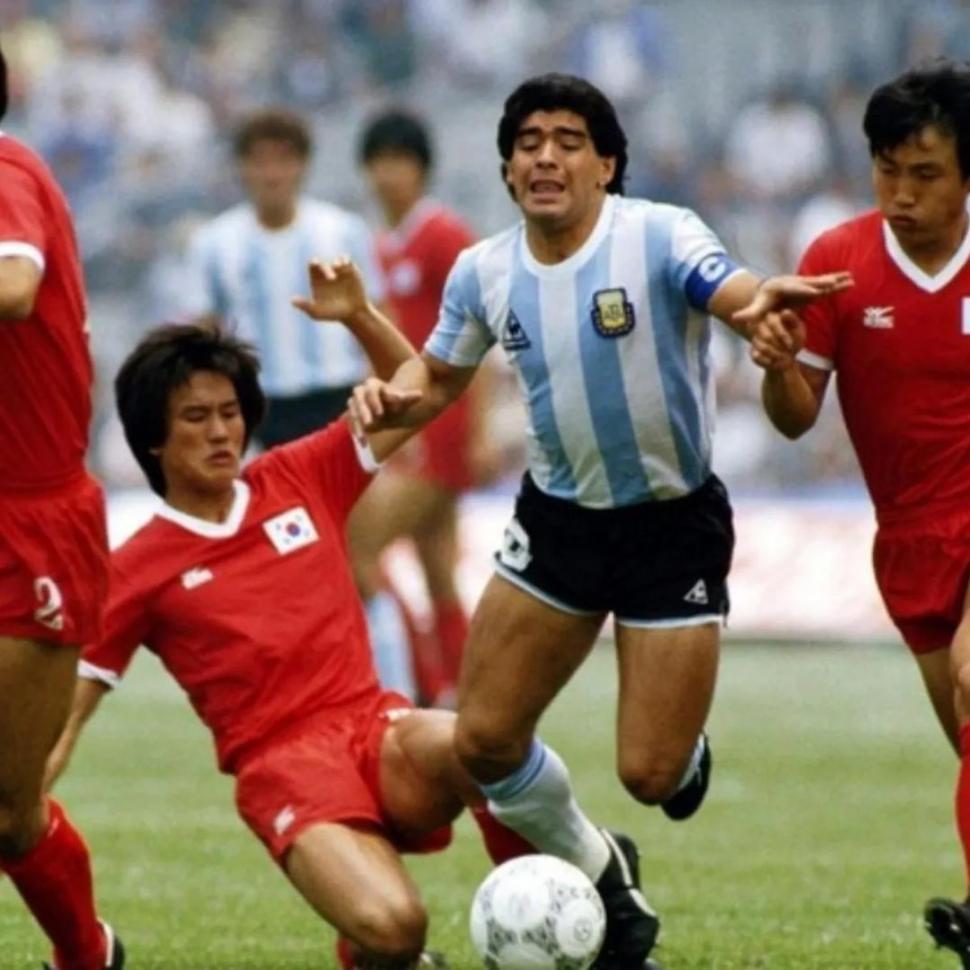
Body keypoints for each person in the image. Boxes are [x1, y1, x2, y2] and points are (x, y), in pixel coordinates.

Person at [343, 73, 852, 968]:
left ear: (607, 164)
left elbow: (731, 291)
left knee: (651, 775)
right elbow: (439, 379)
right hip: (559, 522)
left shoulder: (657, 234)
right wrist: (386, 393)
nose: (546, 155)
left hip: (671, 525)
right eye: (529, 140)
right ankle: (597, 865)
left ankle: (682, 752)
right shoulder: (485, 271)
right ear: (506, 168)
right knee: (484, 740)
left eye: (570, 139)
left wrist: (761, 311)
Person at [44, 264, 535, 970]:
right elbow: (67, 715)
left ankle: (541, 905)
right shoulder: (134, 569)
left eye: (229, 412)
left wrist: (360, 315)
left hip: (375, 725)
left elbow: (423, 392)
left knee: (486, 745)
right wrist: (19, 804)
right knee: (398, 927)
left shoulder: (301, 475)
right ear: (154, 438)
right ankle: (370, 947)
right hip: (284, 770)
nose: (220, 432)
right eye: (195, 418)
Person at [747, 60, 970, 968]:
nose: (901, 193)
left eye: (925, 174)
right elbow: (798, 417)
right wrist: (774, 360)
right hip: (911, 538)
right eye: (887, 171)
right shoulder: (835, 262)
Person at [182, 106, 416, 701]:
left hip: (335, 405)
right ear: (242, 169)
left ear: (302, 166)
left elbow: (377, 319)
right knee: (271, 569)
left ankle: (397, 700)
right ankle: (294, 695)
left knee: (360, 562)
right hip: (257, 415)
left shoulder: (339, 231)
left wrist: (387, 407)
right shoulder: (215, 243)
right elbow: (204, 336)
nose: (271, 173)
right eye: (259, 161)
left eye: (283, 160)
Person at [0, 45, 124, 970]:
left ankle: (89, 956)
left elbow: (15, 286)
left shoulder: (5, 171)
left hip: (33, 527)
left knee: (7, 811)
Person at [355, 108, 492, 706]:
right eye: (380, 162)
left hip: (438, 426)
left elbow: (482, 333)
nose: (389, 175)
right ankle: (464, 692)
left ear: (421, 169)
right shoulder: (381, 243)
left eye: (400, 162)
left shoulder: (443, 236)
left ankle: (424, 687)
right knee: (436, 564)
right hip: (408, 422)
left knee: (354, 548)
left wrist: (480, 429)